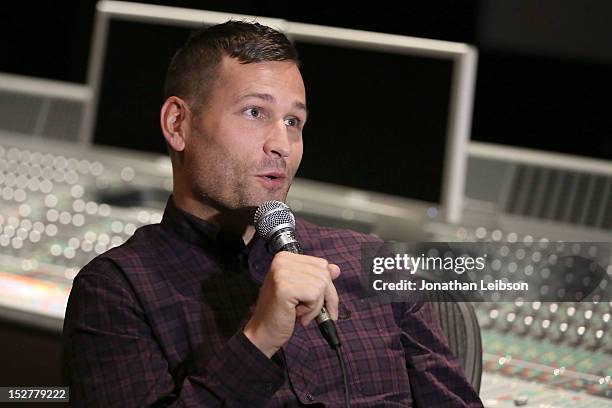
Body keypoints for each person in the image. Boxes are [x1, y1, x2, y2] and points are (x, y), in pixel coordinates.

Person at [63, 21, 483, 407]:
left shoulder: (372, 263)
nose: (282, 144)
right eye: (255, 112)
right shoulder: (116, 292)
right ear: (178, 124)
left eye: (293, 121)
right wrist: (257, 340)